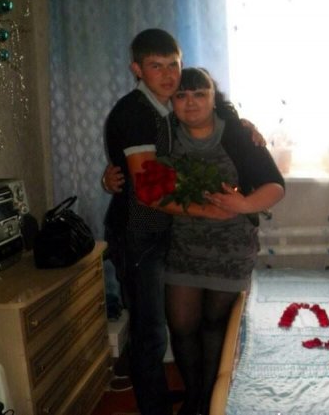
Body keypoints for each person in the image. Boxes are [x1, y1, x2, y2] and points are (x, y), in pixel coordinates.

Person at [102, 29, 264, 415]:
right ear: (137, 69)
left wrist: (242, 126)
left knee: (170, 327)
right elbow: (151, 192)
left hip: (168, 233)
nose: (168, 75)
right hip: (140, 234)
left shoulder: (170, 109)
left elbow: (213, 114)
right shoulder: (136, 114)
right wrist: (214, 210)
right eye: (155, 66)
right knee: (151, 334)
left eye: (172, 64)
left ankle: (184, 400)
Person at [161, 67, 285, 415]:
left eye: (199, 94)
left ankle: (207, 400)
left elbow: (275, 185)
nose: (191, 102)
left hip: (231, 251)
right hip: (183, 248)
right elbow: (144, 179)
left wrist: (243, 204)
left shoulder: (237, 135)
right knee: (181, 325)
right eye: (182, 95)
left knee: (215, 325)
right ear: (172, 101)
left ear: (214, 98)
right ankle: (196, 395)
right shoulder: (164, 135)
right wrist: (111, 179)